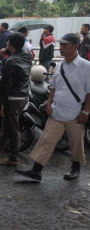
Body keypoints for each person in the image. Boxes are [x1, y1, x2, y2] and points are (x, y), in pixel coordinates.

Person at [16, 33, 90, 181]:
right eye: (60, 44)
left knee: (76, 143)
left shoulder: (86, 66)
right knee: (46, 140)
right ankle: (36, 171)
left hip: (75, 113)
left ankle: (75, 168)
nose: (61, 47)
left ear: (75, 46)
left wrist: (85, 112)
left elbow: (89, 92)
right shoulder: (60, 65)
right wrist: (49, 104)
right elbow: (54, 88)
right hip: (56, 111)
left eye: (65, 45)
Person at [0, 32, 33, 166]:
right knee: (7, 128)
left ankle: (13, 157)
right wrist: (7, 50)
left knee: (12, 128)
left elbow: (6, 86)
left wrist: (0, 103)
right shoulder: (27, 56)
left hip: (12, 98)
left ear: (10, 44)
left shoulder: (10, 62)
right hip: (23, 96)